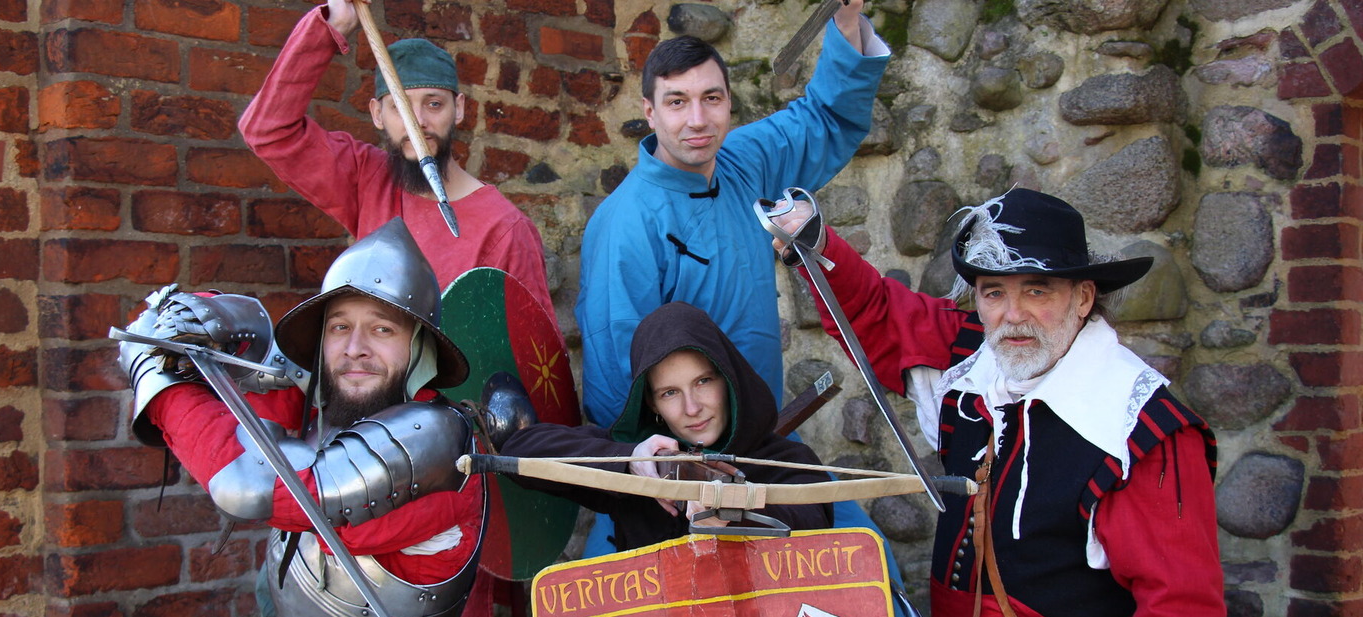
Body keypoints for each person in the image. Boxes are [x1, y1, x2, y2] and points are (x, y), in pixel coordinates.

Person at [772, 188, 1225, 616]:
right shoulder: (973, 355)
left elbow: (1180, 603)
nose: (1013, 315)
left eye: (1037, 290)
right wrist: (817, 244)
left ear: (1084, 297)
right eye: (994, 292)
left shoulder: (1140, 433)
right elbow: (878, 313)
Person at [571, 0, 896, 584]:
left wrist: (846, 22)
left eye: (711, 98)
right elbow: (619, 385)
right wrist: (676, 476)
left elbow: (822, 119)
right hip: (677, 473)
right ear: (649, 111)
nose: (697, 120)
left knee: (867, 568)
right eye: (677, 102)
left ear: (728, 103)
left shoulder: (742, 162)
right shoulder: (624, 225)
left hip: (764, 445)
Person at [117, 218, 503, 617]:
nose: (354, 348)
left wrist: (153, 376)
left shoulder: (435, 441)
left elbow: (250, 485)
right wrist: (198, 317)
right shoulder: (342, 399)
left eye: (382, 329)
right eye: (340, 327)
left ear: (421, 348)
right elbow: (258, 366)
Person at [239, 0, 553, 315]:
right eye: (399, 107)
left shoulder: (505, 228)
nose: (417, 122)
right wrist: (333, 27)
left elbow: (531, 342)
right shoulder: (367, 179)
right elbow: (268, 131)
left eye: (433, 104)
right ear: (377, 114)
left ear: (458, 109)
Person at [501, 302, 831, 549]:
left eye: (703, 381)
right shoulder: (643, 467)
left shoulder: (789, 461)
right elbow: (520, 450)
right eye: (670, 392)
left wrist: (736, 512)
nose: (692, 408)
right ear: (652, 404)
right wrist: (631, 461)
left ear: (728, 379)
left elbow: (813, 526)